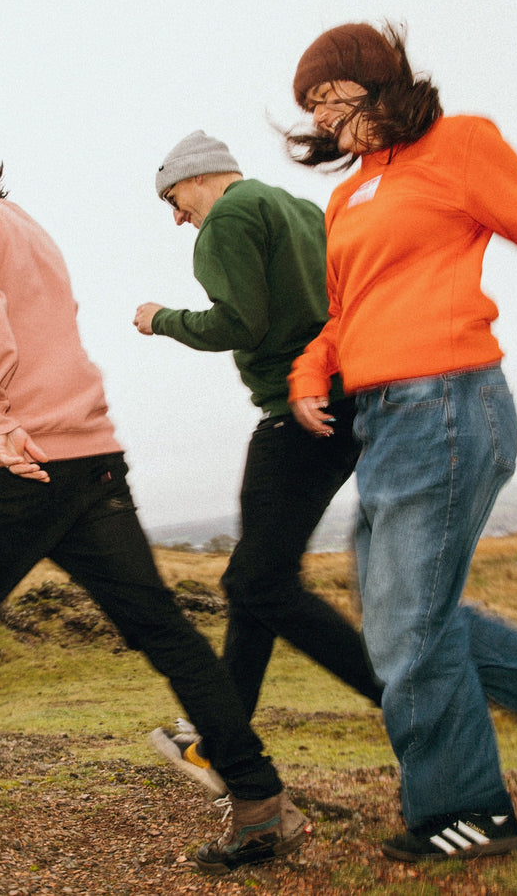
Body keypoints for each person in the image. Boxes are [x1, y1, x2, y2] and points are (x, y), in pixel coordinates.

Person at [0, 122, 309, 878]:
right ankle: (261, 801)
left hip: (19, 461)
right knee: (164, 630)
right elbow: (36, 335)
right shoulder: (27, 227)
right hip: (90, 454)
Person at [283, 22, 517, 862]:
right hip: (384, 419)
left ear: (372, 82)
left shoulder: (460, 145)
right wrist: (310, 372)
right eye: (309, 106)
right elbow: (346, 314)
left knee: (407, 626)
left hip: (448, 403)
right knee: (399, 614)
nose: (320, 117)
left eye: (328, 96)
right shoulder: (347, 196)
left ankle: (466, 810)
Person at [133, 131, 382, 798]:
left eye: (174, 197)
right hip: (345, 406)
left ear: (200, 177)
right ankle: (217, 738)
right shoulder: (300, 210)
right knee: (254, 578)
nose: (177, 215)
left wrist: (162, 319)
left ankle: (396, 699)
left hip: (292, 416)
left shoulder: (229, 219)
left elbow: (238, 323)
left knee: (261, 584)